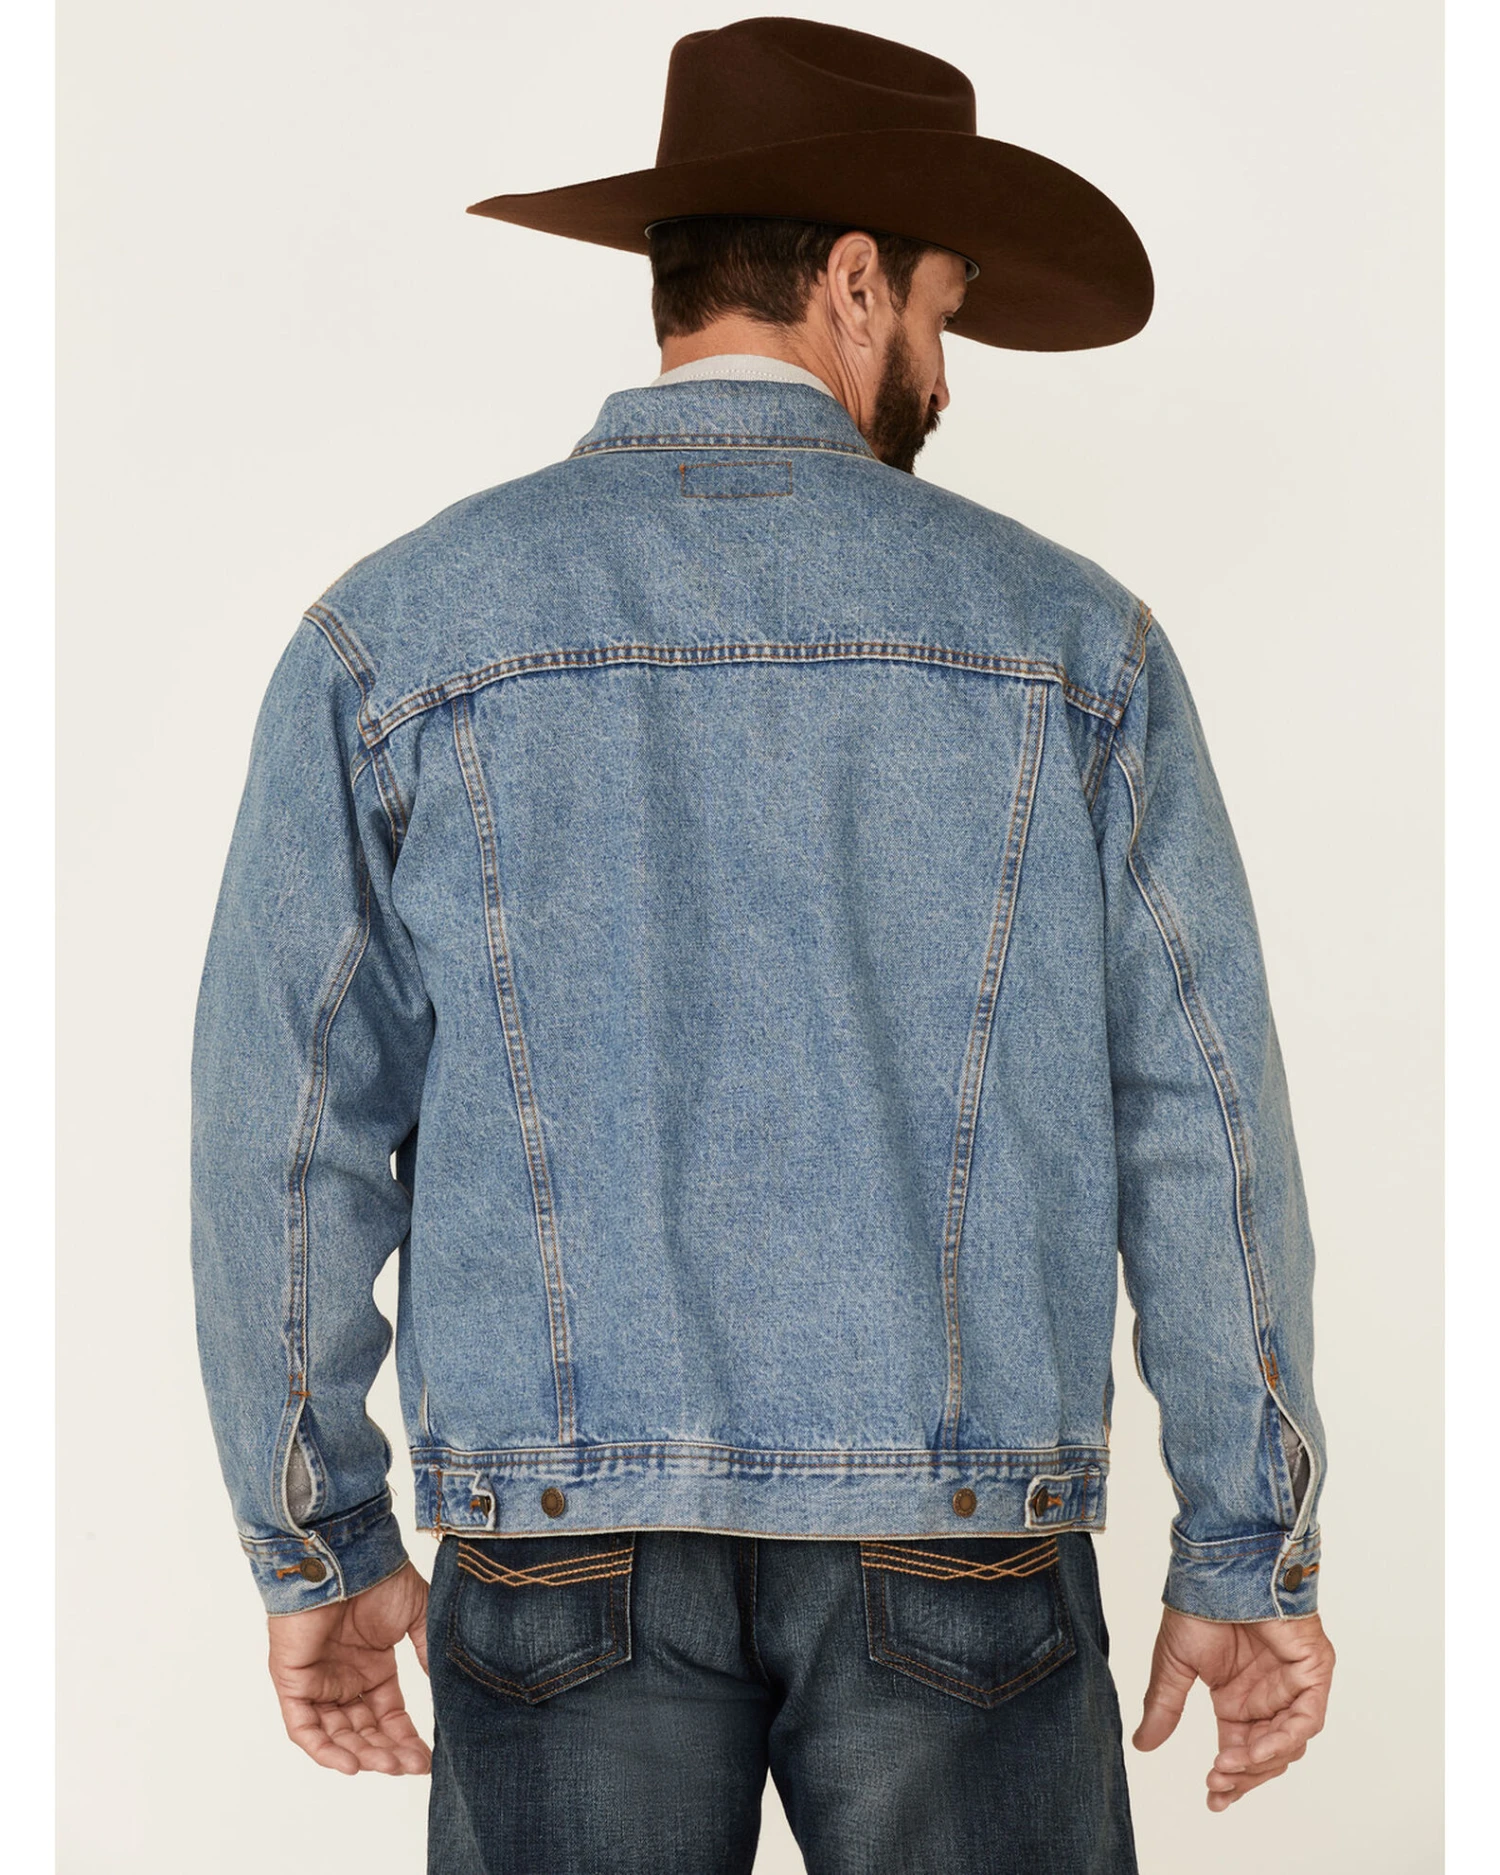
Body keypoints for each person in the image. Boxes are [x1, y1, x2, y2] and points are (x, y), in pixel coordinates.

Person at [189, 18, 1335, 1873]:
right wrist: (1246, 1543)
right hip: (961, 1535)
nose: (943, 371)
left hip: (555, 1544)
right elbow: (1199, 1112)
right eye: (946, 313)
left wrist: (315, 1537)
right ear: (855, 282)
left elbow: (289, 1129)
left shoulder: (396, 641)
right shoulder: (1072, 647)